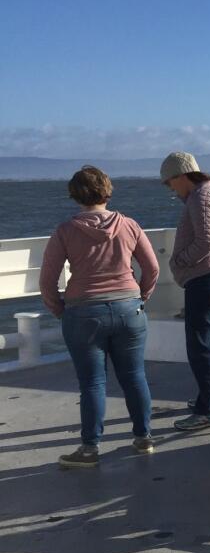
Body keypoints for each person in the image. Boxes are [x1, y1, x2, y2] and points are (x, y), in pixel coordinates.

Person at [40, 166, 159, 468]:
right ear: (107, 191)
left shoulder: (65, 231)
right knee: (134, 376)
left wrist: (60, 311)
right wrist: (140, 297)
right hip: (128, 308)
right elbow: (153, 267)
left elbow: (47, 281)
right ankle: (143, 438)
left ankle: (90, 448)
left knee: (92, 383)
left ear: (75, 195)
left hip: (83, 313)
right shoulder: (129, 225)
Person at [160, 151, 210, 431]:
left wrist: (177, 261)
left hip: (207, 277)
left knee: (200, 344)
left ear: (181, 176)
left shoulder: (201, 197)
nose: (171, 189)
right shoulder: (207, 193)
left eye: (170, 183)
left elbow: (207, 242)